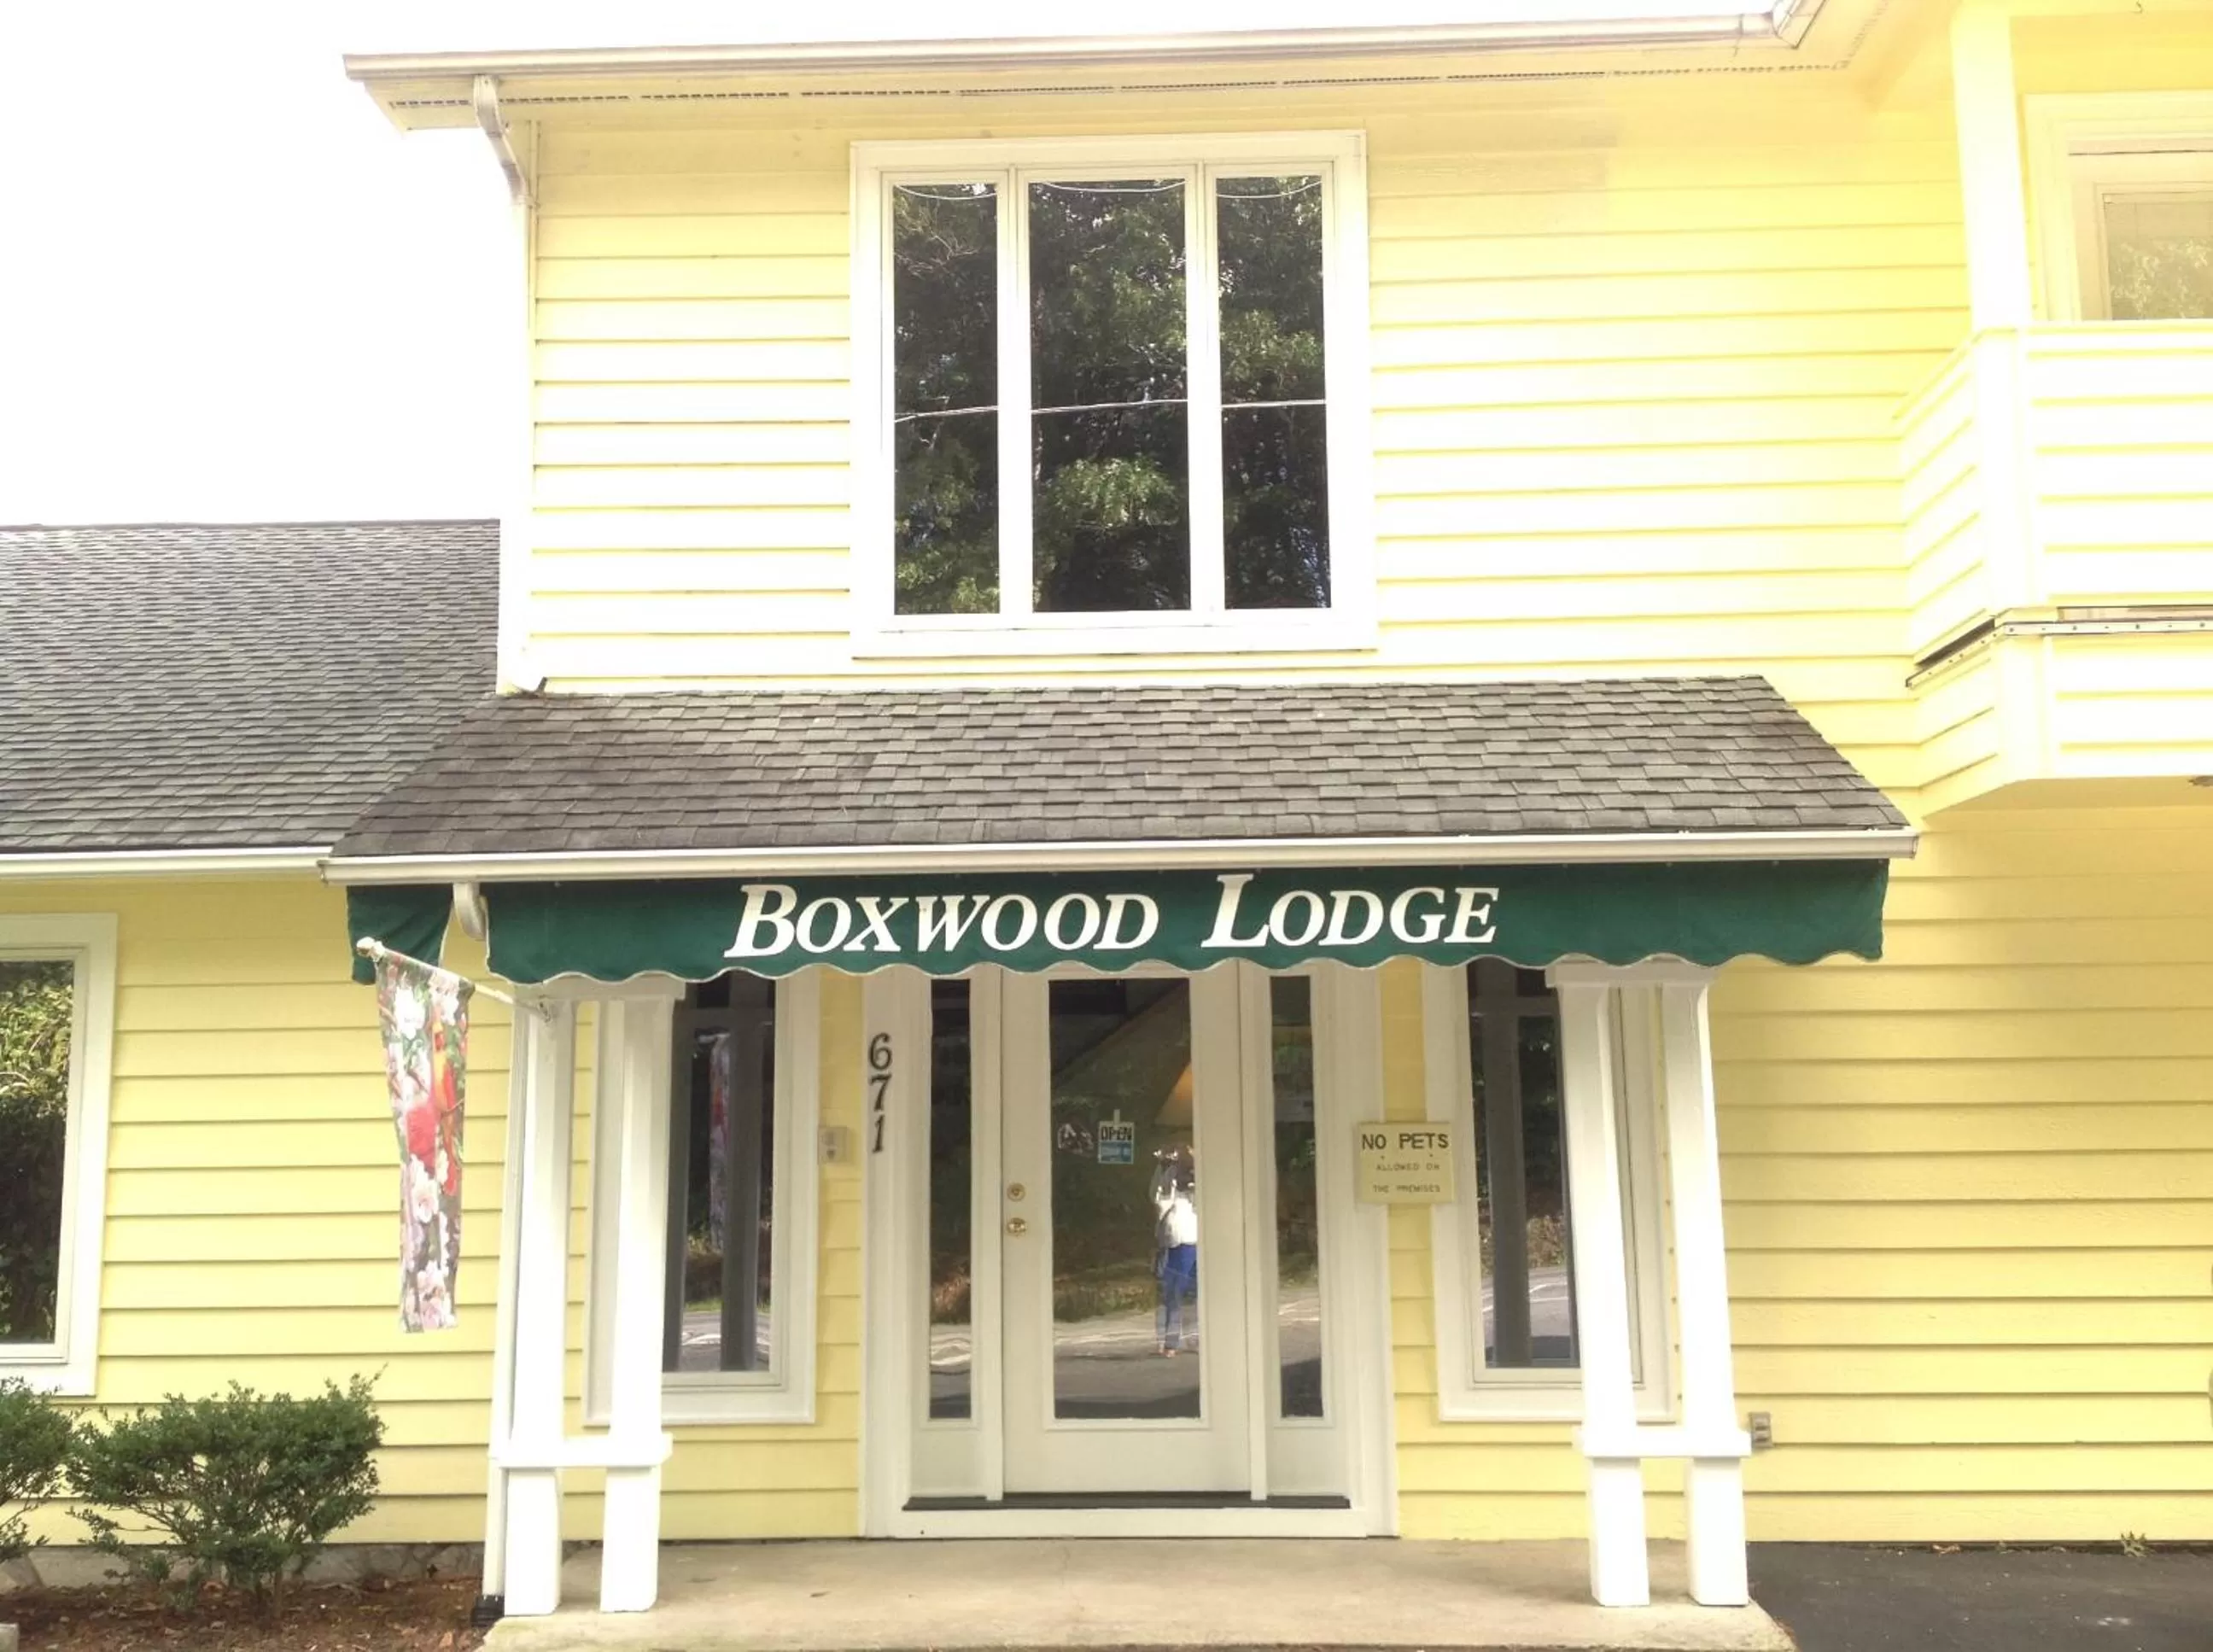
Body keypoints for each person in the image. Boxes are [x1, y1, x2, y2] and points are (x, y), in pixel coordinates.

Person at [1151, 1146, 1198, 1356]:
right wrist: (1162, 1168)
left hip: (1193, 1239)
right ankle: (1171, 1341)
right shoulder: (1169, 1174)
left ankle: (1190, 1339)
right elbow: (1157, 1198)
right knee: (1174, 1291)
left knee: (1190, 1293)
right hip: (1177, 1239)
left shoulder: (1201, 1172)